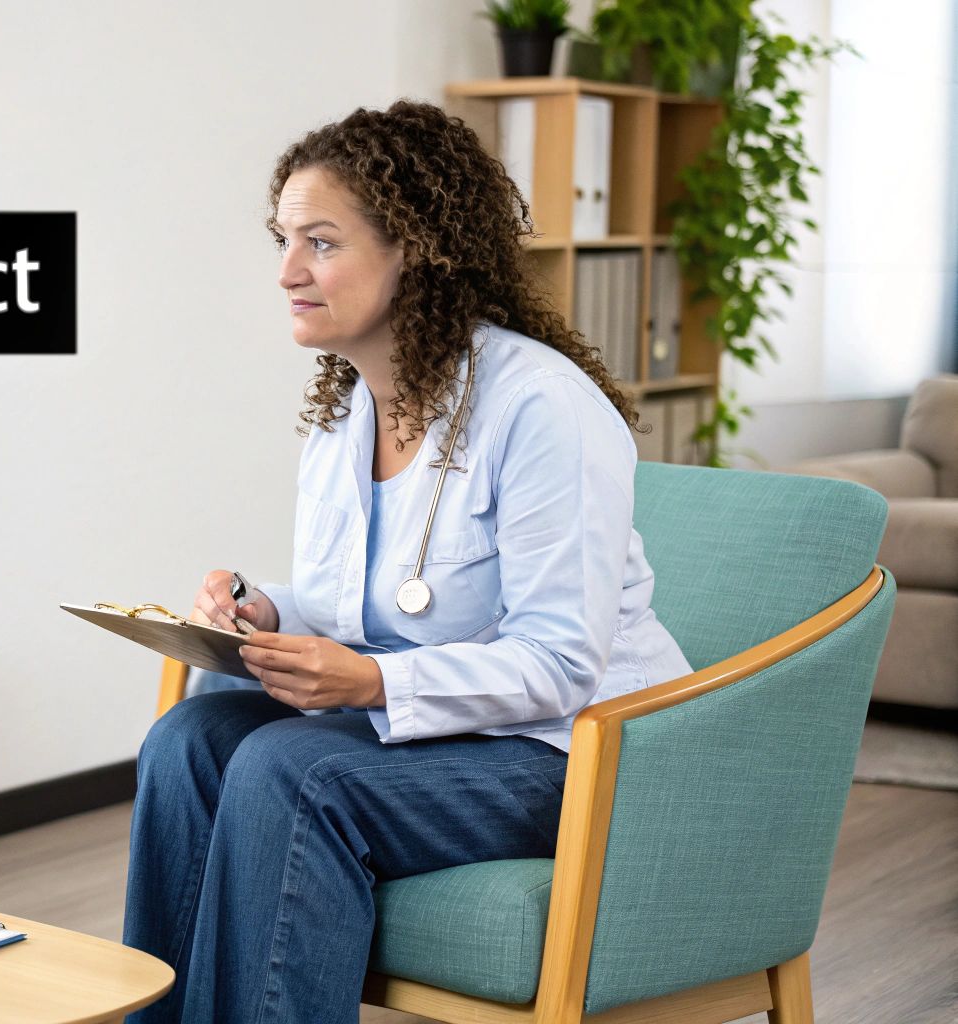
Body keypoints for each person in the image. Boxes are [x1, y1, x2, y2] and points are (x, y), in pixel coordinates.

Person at [121, 101, 695, 1023]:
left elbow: (559, 662)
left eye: (320, 242)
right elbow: (374, 604)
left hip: (573, 748)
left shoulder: (541, 407)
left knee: (290, 769)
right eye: (282, 240)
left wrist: (372, 683)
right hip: (450, 731)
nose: (287, 273)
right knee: (188, 739)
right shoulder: (353, 411)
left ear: (415, 248)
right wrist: (267, 611)